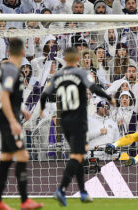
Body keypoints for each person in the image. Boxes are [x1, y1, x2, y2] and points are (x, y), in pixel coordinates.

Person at [39, 47, 116, 206]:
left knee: (80, 155)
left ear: (65, 59)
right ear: (77, 59)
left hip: (64, 120)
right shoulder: (81, 73)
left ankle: (82, 192)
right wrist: (108, 97)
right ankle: (61, 189)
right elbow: (94, 88)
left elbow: (45, 94)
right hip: (78, 120)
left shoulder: (58, 75)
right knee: (77, 156)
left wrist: (40, 108)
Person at [0, 38, 43, 210]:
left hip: (8, 116)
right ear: (23, 52)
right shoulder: (11, 71)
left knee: (6, 158)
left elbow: (8, 96)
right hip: (8, 119)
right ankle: (24, 201)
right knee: (22, 156)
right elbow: (4, 96)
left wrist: (21, 109)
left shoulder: (10, 70)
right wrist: (13, 121)